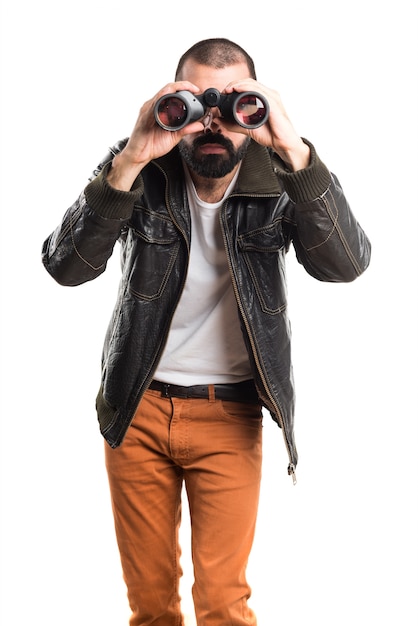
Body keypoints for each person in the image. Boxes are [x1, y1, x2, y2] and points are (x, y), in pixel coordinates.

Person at [42, 37, 371, 626]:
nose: (213, 124)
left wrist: (294, 149)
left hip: (231, 414)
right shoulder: (139, 167)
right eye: (198, 105)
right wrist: (131, 159)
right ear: (174, 106)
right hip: (136, 410)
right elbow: (66, 267)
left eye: (234, 104)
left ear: (257, 107)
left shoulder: (279, 176)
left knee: (222, 602)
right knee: (151, 606)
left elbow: (345, 264)